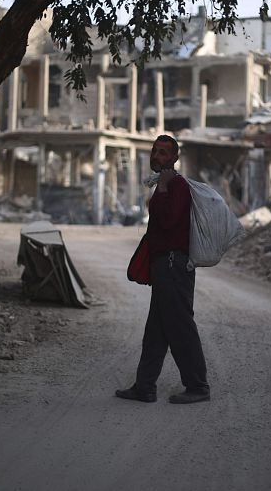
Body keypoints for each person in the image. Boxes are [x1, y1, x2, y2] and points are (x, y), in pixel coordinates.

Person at [116, 135, 210, 404]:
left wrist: (166, 189)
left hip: (173, 266)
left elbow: (169, 221)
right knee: (156, 330)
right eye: (154, 151)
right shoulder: (163, 185)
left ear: (174, 159)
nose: (157, 156)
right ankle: (144, 387)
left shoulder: (176, 184)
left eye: (163, 153)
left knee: (180, 326)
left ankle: (198, 386)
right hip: (163, 267)